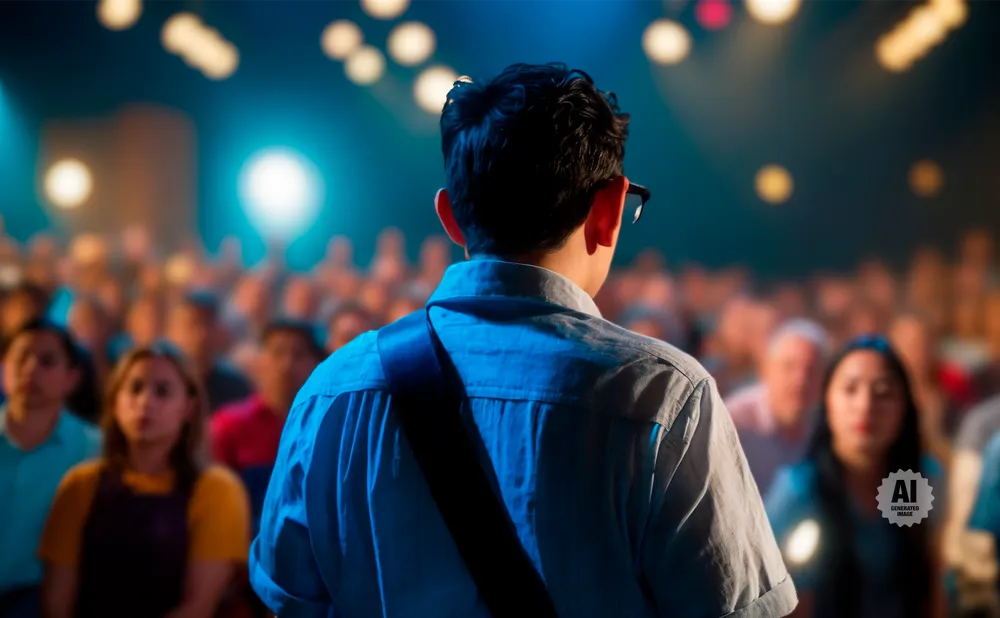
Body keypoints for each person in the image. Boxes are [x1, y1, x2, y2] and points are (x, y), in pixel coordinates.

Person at [251, 63, 796, 617]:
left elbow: (289, 598)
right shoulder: (664, 399)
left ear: (452, 219)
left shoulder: (333, 393)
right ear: (608, 211)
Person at [38, 343, 251, 618]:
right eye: (135, 388)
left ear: (188, 407)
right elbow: (56, 604)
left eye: (162, 391)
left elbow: (199, 606)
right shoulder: (80, 484)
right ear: (115, 401)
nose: (145, 402)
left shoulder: (217, 489)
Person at [765, 335, 939, 618]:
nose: (865, 406)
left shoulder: (912, 483)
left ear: (905, 407)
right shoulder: (801, 490)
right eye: (849, 389)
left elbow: (929, 582)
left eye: (883, 392)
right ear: (827, 402)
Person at [0, 319, 101, 618]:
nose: (32, 369)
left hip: (40, 600)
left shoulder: (94, 451)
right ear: (3, 369)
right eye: (21, 358)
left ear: (72, 378)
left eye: (47, 361)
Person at [211, 319, 324, 532]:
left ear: (316, 364)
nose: (287, 364)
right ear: (260, 361)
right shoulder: (230, 424)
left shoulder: (327, 427)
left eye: (299, 355)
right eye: (278, 352)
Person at [726, 319, 828, 495]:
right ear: (766, 370)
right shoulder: (733, 422)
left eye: (811, 370)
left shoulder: (830, 424)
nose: (800, 380)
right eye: (789, 367)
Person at [166, 291, 253, 412]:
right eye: (192, 325)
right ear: (172, 330)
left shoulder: (235, 388)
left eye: (209, 325)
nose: (201, 335)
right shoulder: (158, 384)